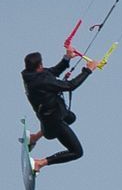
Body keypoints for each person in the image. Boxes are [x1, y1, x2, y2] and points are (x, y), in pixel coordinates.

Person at [21, 45, 98, 173]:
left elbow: (51, 72)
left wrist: (66, 58)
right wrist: (88, 70)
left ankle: (34, 137)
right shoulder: (42, 82)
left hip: (52, 114)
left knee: (71, 117)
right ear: (39, 65)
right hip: (53, 122)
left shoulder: (30, 74)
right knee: (77, 152)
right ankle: (40, 163)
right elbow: (70, 85)